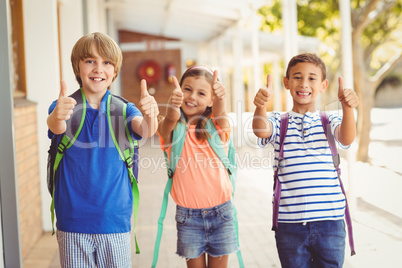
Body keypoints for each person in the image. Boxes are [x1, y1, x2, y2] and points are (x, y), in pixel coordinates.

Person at [47, 32, 159, 267]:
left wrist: (151, 114)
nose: (98, 69)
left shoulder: (125, 109)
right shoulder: (63, 107)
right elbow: (56, 126)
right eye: (90, 61)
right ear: (77, 67)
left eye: (106, 62)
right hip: (72, 222)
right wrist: (57, 116)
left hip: (114, 222)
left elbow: (145, 130)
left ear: (114, 71)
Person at [252, 53, 359, 268]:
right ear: (286, 83)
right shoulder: (277, 121)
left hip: (330, 221)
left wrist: (348, 108)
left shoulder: (330, 120)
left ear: (322, 85)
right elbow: (261, 130)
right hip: (289, 224)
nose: (304, 84)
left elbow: (347, 137)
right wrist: (261, 106)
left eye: (312, 78)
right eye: (297, 77)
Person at [157, 66, 239, 268]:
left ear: (211, 100)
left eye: (201, 93)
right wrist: (171, 112)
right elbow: (167, 122)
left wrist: (221, 99)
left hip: (222, 214)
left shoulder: (217, 127)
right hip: (188, 217)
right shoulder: (172, 129)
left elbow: (221, 114)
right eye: (187, 89)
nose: (192, 96)